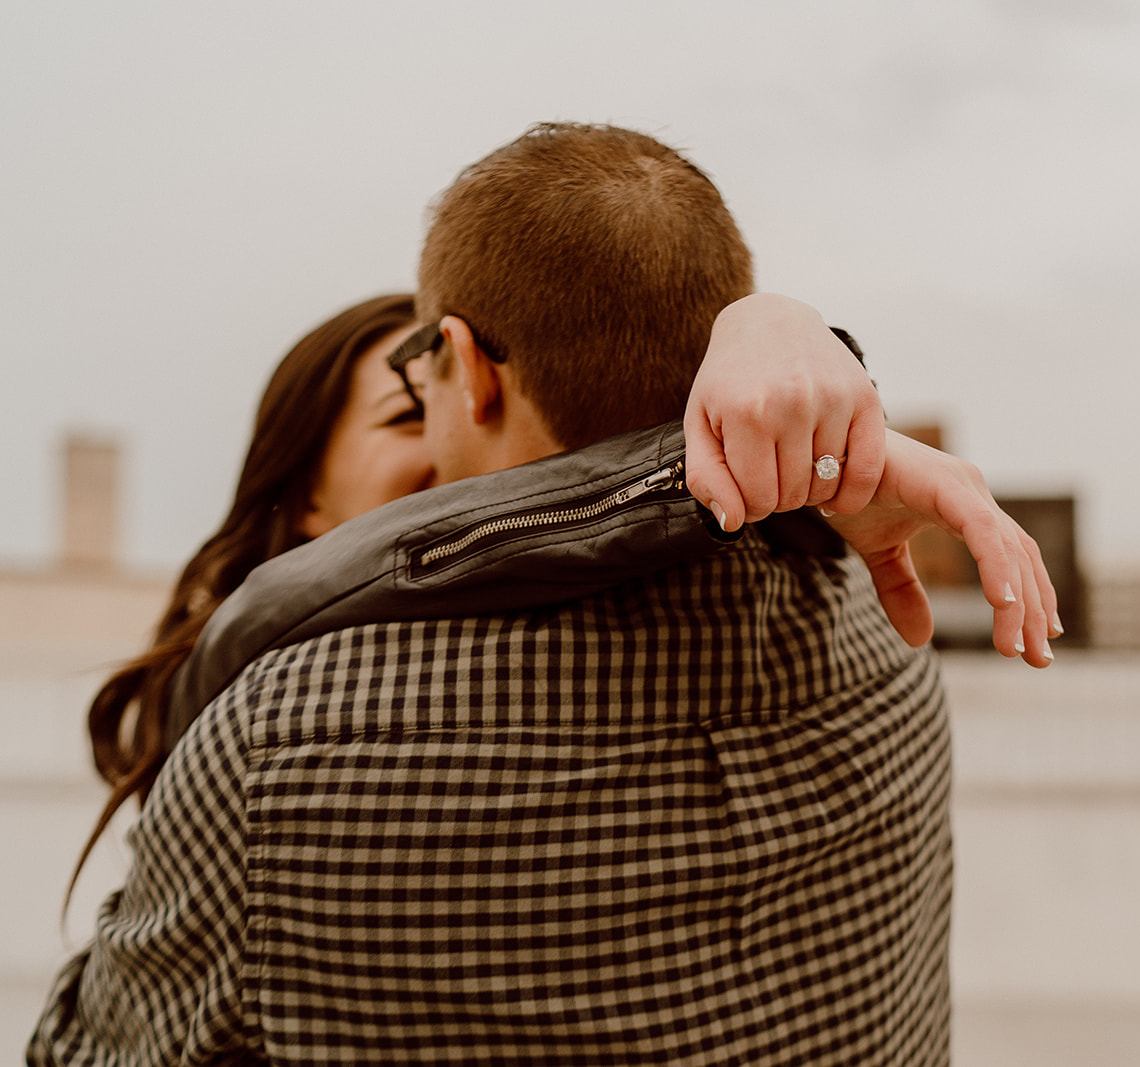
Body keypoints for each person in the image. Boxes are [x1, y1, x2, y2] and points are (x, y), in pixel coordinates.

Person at [32, 124, 1056, 1066]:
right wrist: (788, 330)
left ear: (467, 368)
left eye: (421, 378)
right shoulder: (875, 637)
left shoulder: (275, 746)